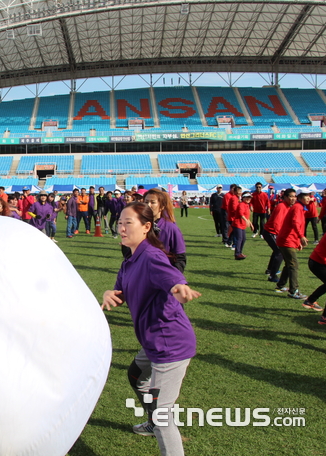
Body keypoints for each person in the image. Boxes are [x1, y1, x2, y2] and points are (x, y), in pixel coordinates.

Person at [101, 202, 200, 456]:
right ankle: (152, 420)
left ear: (146, 227)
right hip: (152, 341)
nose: (122, 228)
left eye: (128, 223)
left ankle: (156, 421)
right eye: (120, 223)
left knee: (163, 414)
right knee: (136, 375)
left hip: (170, 344)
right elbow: (120, 293)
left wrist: (180, 287)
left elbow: (172, 278)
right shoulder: (130, 261)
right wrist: (109, 293)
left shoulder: (152, 256)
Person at [275, 189, 312, 300]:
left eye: (309, 196)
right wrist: (300, 236)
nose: (309, 198)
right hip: (286, 240)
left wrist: (297, 240)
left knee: (289, 264)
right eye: (306, 196)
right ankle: (293, 291)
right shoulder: (297, 208)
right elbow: (295, 223)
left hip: (289, 239)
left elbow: (296, 224)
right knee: (293, 265)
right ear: (301, 198)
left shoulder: (299, 208)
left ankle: (280, 286)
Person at [143, 188, 187, 273]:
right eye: (146, 202)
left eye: (153, 202)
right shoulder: (138, 225)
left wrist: (171, 277)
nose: (148, 205)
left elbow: (180, 258)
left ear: (162, 206)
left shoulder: (170, 228)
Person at [262, 188, 296, 282]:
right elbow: (276, 223)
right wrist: (280, 236)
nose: (293, 198)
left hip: (274, 232)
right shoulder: (282, 206)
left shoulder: (288, 206)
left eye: (294, 196)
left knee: (277, 251)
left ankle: (270, 270)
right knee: (279, 251)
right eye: (291, 196)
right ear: (285, 197)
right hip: (271, 232)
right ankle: (273, 275)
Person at [233, 192, 254, 260]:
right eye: (247, 197)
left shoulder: (247, 205)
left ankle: (240, 252)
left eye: (249, 197)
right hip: (238, 224)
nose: (248, 199)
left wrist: (250, 224)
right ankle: (237, 254)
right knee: (239, 239)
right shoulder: (241, 205)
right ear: (243, 198)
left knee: (243, 239)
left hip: (242, 225)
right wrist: (247, 221)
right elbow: (241, 214)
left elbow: (247, 216)